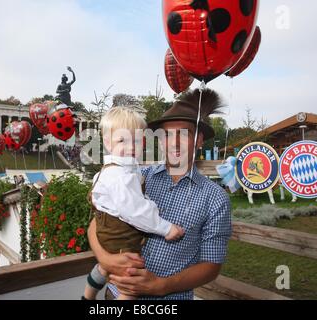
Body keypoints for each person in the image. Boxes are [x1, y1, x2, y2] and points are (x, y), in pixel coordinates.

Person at [88, 88, 232, 300]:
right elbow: (97, 222)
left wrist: (161, 286)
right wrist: (104, 258)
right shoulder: (136, 177)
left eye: (183, 134)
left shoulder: (215, 199)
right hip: (116, 293)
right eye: (166, 135)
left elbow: (211, 266)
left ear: (199, 140)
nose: (173, 143)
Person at [82, 107, 185, 301]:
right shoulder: (120, 176)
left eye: (136, 140)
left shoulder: (120, 170)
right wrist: (166, 228)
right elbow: (136, 211)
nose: (130, 146)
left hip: (108, 232)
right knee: (131, 284)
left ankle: (87, 296)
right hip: (120, 238)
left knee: (103, 268)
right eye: (122, 140)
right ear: (107, 142)